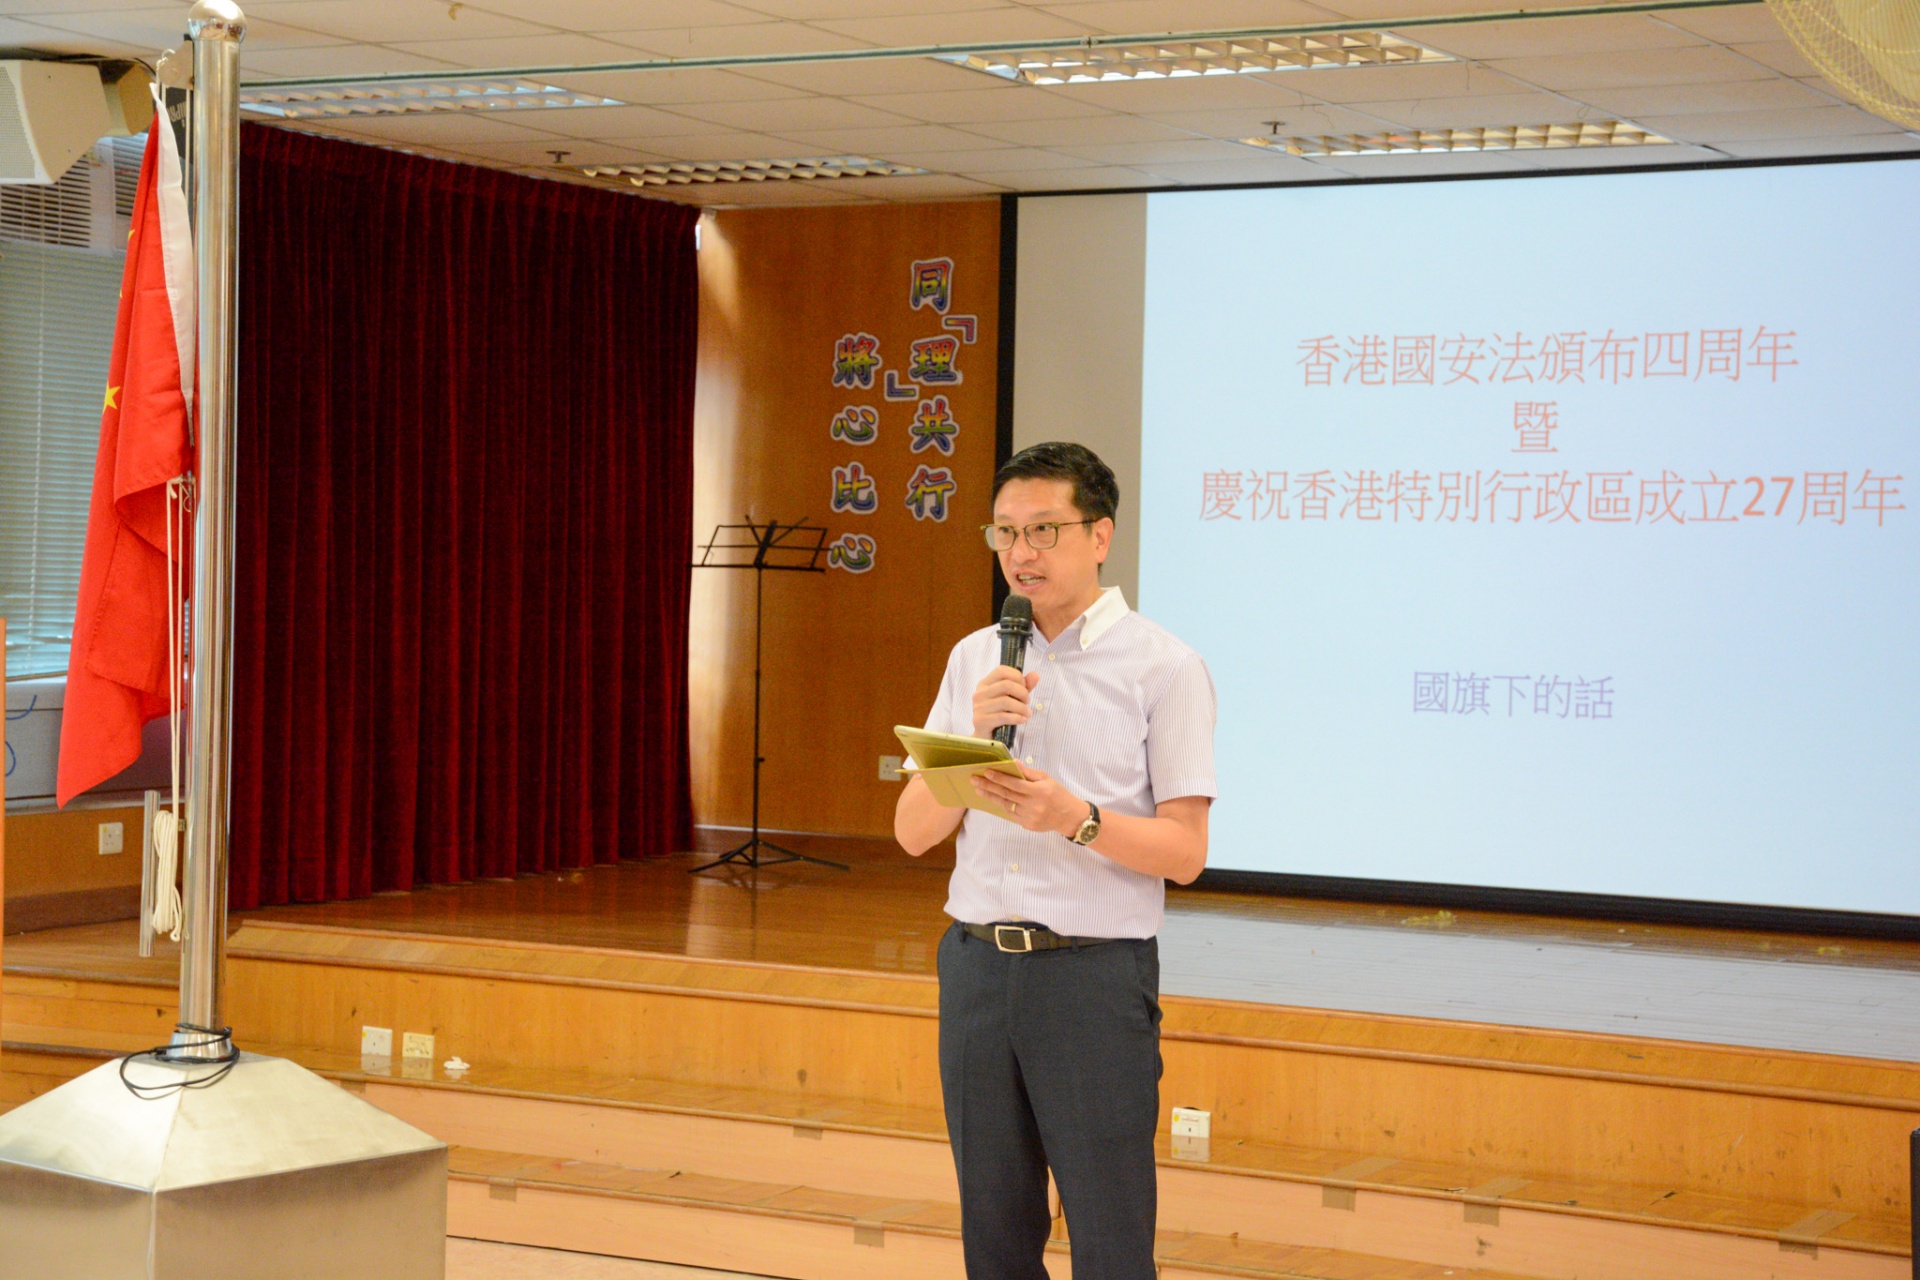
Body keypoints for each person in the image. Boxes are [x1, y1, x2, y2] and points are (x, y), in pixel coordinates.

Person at [894, 440, 1217, 1280]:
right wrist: (970, 739)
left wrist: (1076, 820)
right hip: (975, 970)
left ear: (1100, 536)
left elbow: (1185, 853)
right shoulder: (976, 657)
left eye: (1044, 530)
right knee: (994, 1233)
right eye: (1004, 532)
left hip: (1090, 979)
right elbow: (913, 832)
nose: (1021, 553)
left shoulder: (1166, 666)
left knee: (1109, 1235)